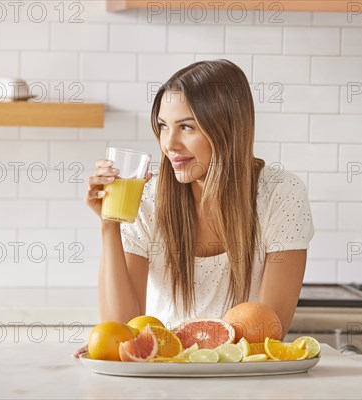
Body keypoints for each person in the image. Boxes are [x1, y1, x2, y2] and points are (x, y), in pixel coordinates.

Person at [77, 59, 314, 356]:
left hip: (243, 379)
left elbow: (266, 329)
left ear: (226, 128)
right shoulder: (147, 197)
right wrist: (109, 224)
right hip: (164, 379)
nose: (169, 144)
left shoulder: (280, 194)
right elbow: (122, 332)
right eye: (163, 127)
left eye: (186, 127)